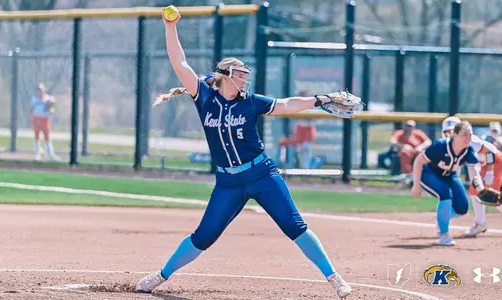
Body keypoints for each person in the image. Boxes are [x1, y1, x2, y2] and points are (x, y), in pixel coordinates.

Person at [136, 9, 352, 299]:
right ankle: (160, 276)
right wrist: (170, 27)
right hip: (228, 182)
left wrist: (318, 99)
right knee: (204, 237)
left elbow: (286, 104)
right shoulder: (204, 97)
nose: (244, 81)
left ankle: (334, 278)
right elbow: (179, 61)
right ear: (225, 76)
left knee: (294, 226)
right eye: (240, 76)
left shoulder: (250, 102)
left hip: (261, 173)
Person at [411, 121, 486, 246]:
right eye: (464, 134)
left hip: (449, 175)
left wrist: (481, 189)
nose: (468, 138)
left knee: (462, 208)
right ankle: (443, 235)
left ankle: (442, 217)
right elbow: (418, 161)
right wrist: (416, 185)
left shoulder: (469, 151)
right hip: (428, 173)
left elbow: (474, 173)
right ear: (455, 134)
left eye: (470, 134)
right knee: (446, 194)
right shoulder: (440, 146)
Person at [441, 117, 502, 237]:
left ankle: (480, 223)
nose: (450, 134)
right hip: (487, 164)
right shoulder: (453, 144)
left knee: (485, 194)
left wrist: (489, 173)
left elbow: (488, 153)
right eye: (448, 131)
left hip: (494, 162)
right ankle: (485, 222)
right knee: (488, 196)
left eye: (453, 130)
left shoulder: (470, 141)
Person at [30, 83, 58, 161]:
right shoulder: (34, 99)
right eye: (38, 90)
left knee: (47, 137)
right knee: (37, 136)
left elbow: (52, 105)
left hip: (45, 119)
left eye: (41, 90)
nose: (39, 92)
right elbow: (31, 109)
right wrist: (30, 118)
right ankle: (38, 153)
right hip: (36, 119)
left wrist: (51, 104)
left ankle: (51, 154)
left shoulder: (48, 98)